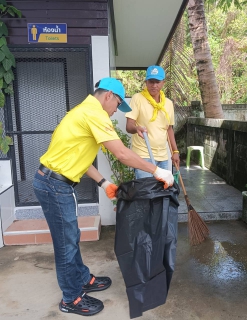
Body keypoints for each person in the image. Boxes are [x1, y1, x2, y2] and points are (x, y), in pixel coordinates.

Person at [32, 77, 174, 317]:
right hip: (54, 185)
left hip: (56, 183)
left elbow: (81, 157)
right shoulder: (94, 113)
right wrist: (157, 170)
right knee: (66, 243)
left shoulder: (84, 110)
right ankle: (71, 298)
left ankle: (83, 278)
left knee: (71, 235)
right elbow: (121, 153)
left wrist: (104, 182)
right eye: (118, 104)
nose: (116, 110)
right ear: (108, 95)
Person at [125, 65, 180, 178]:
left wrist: (175, 152)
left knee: (162, 193)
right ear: (146, 82)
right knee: (146, 193)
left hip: (163, 157)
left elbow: (169, 129)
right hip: (143, 156)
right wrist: (136, 128)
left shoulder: (168, 104)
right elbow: (129, 125)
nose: (154, 85)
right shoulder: (137, 98)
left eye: (157, 82)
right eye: (151, 81)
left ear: (163, 82)